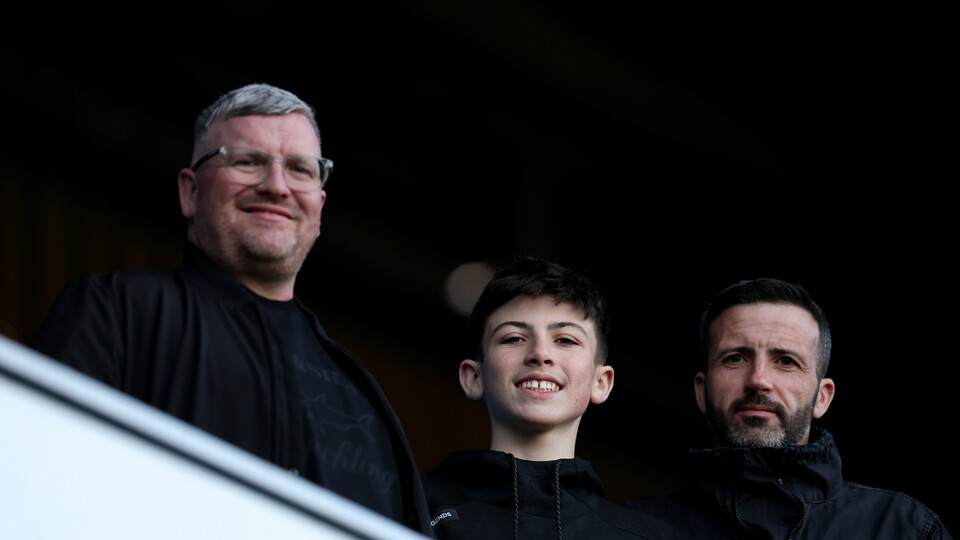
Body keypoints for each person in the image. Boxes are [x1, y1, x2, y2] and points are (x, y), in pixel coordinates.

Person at [30, 83, 433, 535]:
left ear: (319, 208)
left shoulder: (362, 398)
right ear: (190, 192)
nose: (276, 186)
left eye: (300, 169)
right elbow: (41, 489)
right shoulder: (113, 313)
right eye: (246, 162)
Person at [623, 277, 953, 539]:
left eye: (786, 361)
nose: (759, 379)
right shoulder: (631, 530)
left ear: (822, 397)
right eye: (735, 358)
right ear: (701, 391)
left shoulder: (903, 529)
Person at [422, 256, 658, 539]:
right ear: (474, 377)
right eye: (514, 338)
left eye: (565, 340)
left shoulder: (646, 536)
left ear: (601, 382)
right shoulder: (413, 508)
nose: (540, 354)